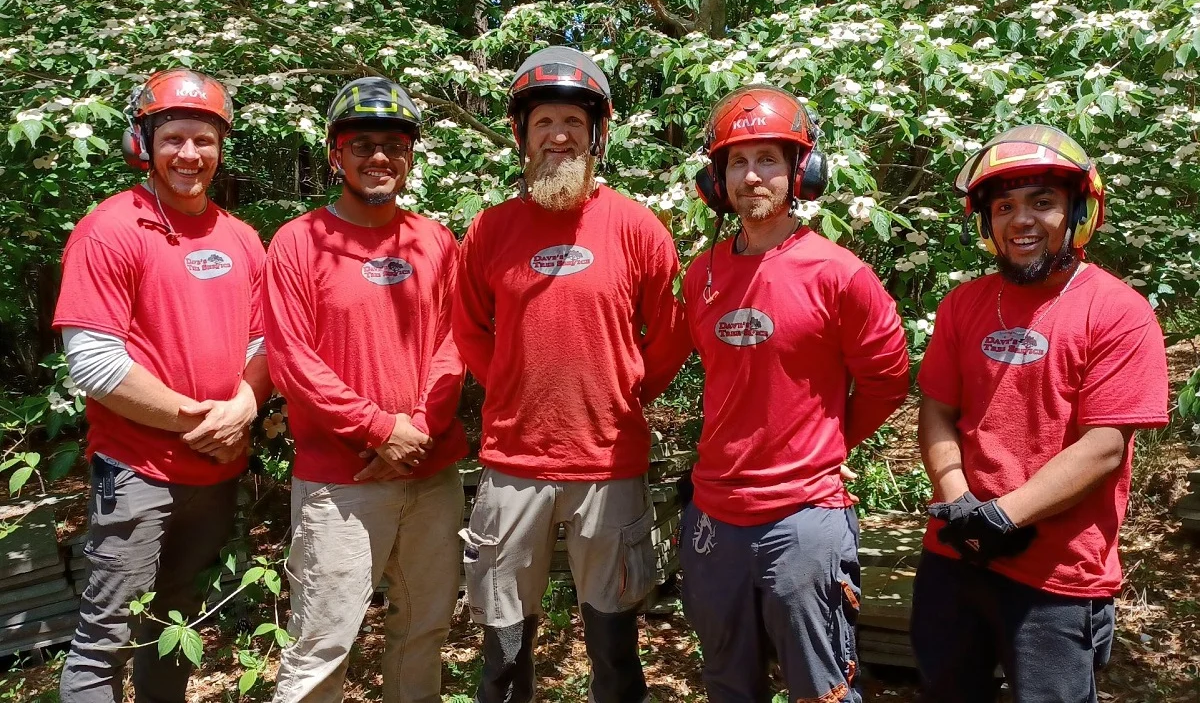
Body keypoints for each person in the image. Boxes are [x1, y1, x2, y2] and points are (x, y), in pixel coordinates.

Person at [453, 46, 692, 703]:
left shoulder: (638, 227)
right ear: (521, 135)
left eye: (572, 122)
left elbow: (672, 331)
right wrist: (510, 384)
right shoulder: (491, 230)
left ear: (597, 133)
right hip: (512, 463)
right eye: (543, 122)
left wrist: (625, 392)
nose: (558, 135)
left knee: (614, 649)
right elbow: (467, 327)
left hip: (609, 463)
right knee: (503, 651)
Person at [911, 125, 1170, 702]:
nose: (1020, 220)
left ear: (1078, 212)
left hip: (1057, 574)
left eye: (1042, 202)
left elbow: (1104, 446)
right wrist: (960, 502)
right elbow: (938, 410)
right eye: (1004, 206)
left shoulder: (1119, 311)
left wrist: (1004, 517)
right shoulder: (963, 303)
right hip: (954, 553)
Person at [680, 85, 910, 702]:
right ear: (716, 179)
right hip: (713, 518)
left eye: (768, 159)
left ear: (800, 170)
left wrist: (827, 441)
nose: (752, 176)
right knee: (728, 684)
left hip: (803, 517)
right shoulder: (701, 275)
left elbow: (889, 380)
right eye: (737, 161)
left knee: (820, 689)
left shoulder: (840, 274)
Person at [55, 69, 272, 703]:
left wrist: (244, 406)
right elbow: (94, 362)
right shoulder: (110, 230)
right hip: (138, 470)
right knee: (106, 637)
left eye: (204, 140)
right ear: (143, 143)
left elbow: (265, 342)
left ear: (220, 148)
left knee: (175, 620)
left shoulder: (240, 237)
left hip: (216, 470)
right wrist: (202, 422)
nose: (189, 154)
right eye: (173, 137)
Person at [264, 78, 466, 703]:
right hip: (340, 482)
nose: (380, 156)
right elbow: (291, 359)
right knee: (322, 644)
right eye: (362, 144)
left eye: (394, 144)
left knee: (424, 630)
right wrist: (381, 430)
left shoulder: (435, 241)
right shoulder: (298, 242)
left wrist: (417, 430)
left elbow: (455, 343)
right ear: (336, 154)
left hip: (430, 472)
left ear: (410, 155)